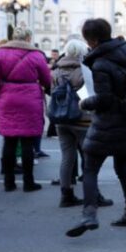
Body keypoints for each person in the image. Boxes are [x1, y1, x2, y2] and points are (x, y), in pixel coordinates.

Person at [65, 18, 126, 237]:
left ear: (93, 39)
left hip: (108, 126)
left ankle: (89, 214)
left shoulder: (100, 64)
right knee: (123, 169)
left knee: (90, 169)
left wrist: (85, 102)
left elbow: (105, 99)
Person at [0, 27, 51, 191]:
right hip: (30, 98)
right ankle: (29, 182)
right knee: (28, 141)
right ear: (29, 38)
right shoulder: (37, 55)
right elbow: (46, 79)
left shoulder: (0, 53)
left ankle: (9, 182)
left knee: (9, 140)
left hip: (7, 97)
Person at [51, 39, 94, 207]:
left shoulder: (56, 71)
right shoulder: (85, 71)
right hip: (82, 119)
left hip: (61, 119)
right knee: (89, 158)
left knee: (67, 157)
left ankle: (66, 194)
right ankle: (93, 195)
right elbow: (91, 95)